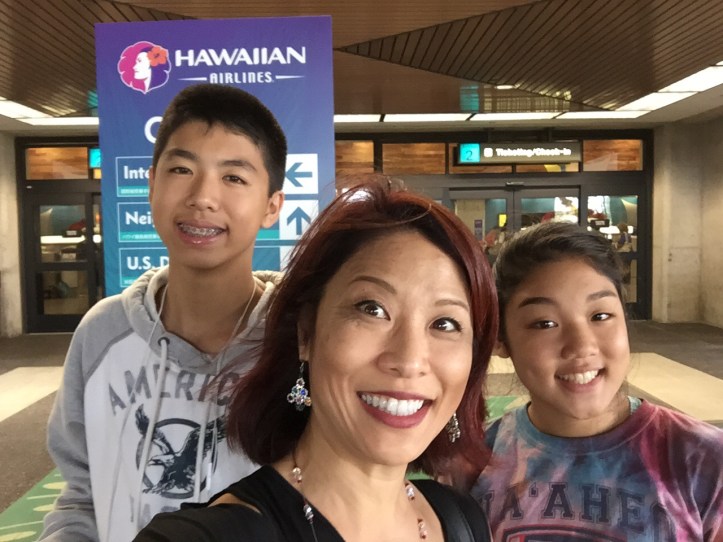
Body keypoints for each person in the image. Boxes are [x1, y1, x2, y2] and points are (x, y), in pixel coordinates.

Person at [134, 180, 498, 541]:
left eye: (445, 324)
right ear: (306, 332)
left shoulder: (461, 519)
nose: (409, 360)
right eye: (372, 309)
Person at [40, 83, 287, 542]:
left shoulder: (300, 340)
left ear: (272, 206)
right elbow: (82, 495)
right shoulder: (103, 333)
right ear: (152, 184)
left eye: (234, 177)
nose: (202, 197)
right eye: (181, 169)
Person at [471, 222, 723, 540]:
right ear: (500, 338)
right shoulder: (475, 462)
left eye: (600, 316)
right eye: (545, 323)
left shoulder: (705, 461)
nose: (582, 346)